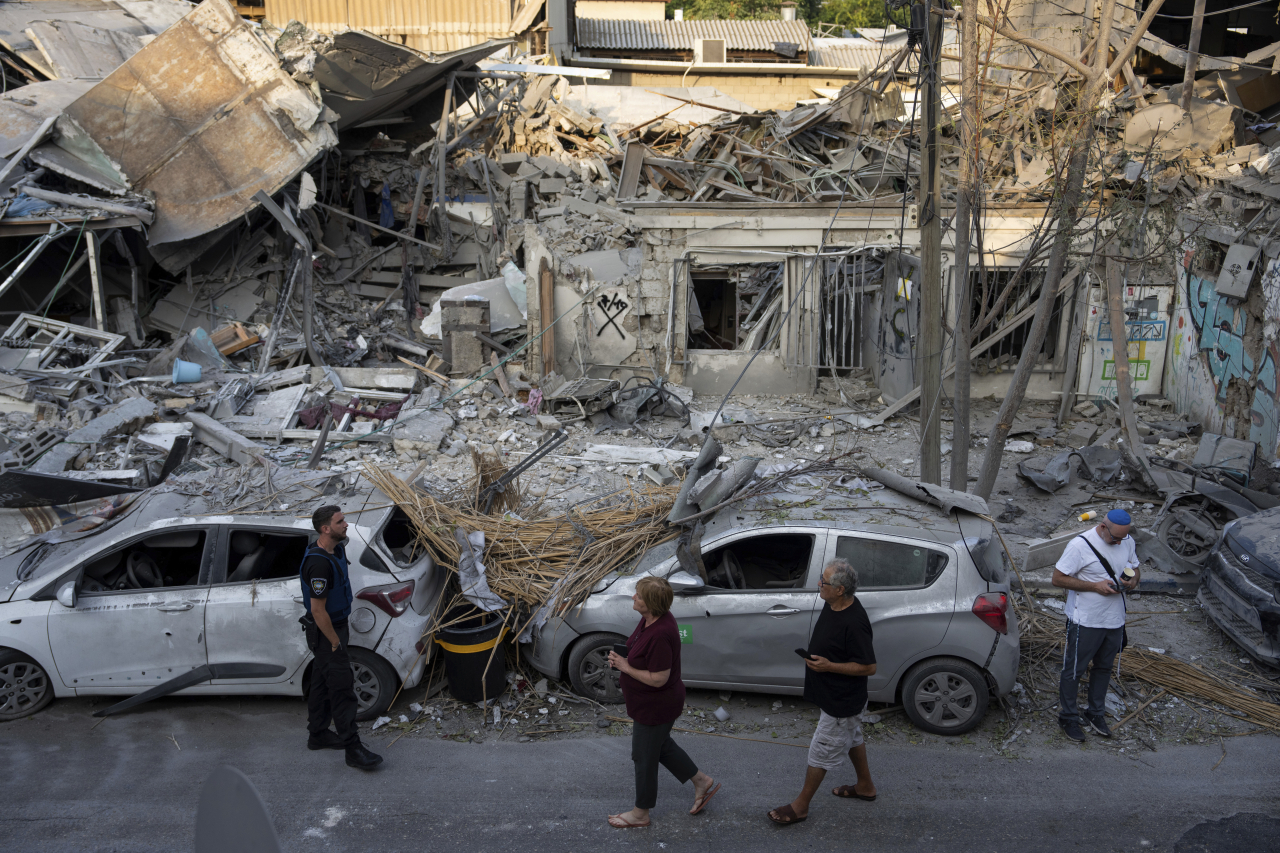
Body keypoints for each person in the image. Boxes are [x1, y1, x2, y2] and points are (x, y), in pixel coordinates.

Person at [605, 576, 720, 829]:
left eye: (639, 595)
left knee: (643, 757)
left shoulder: (660, 633)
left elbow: (659, 679)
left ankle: (640, 813)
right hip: (650, 704)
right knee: (660, 746)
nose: (634, 597)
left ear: (653, 603)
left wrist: (625, 666)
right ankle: (701, 781)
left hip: (656, 706)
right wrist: (623, 658)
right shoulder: (650, 619)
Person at [769, 558, 876, 826]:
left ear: (840, 589)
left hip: (842, 702)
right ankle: (865, 786)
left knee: (821, 751)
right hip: (835, 697)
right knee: (852, 737)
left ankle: (801, 806)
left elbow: (869, 667)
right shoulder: (833, 603)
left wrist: (829, 666)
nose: (819, 583)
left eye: (824, 581)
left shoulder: (855, 621)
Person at [300, 505, 383, 770]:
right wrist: (335, 641)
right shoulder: (318, 563)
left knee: (321, 683)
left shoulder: (336, 548)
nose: (346, 524)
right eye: (340, 521)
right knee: (342, 688)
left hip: (336, 627)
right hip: (327, 631)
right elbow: (317, 609)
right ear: (326, 529)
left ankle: (318, 734)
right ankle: (353, 749)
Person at [1052, 508, 1140, 742]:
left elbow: (1135, 567)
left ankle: (1095, 713)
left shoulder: (1126, 540)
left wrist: (1133, 581)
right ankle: (1069, 717)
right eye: (1115, 538)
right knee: (1074, 670)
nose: (1119, 542)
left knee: (1103, 668)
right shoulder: (1079, 545)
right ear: (1102, 527)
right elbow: (1057, 579)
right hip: (1086, 620)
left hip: (1114, 620)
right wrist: (1094, 586)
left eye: (1123, 538)